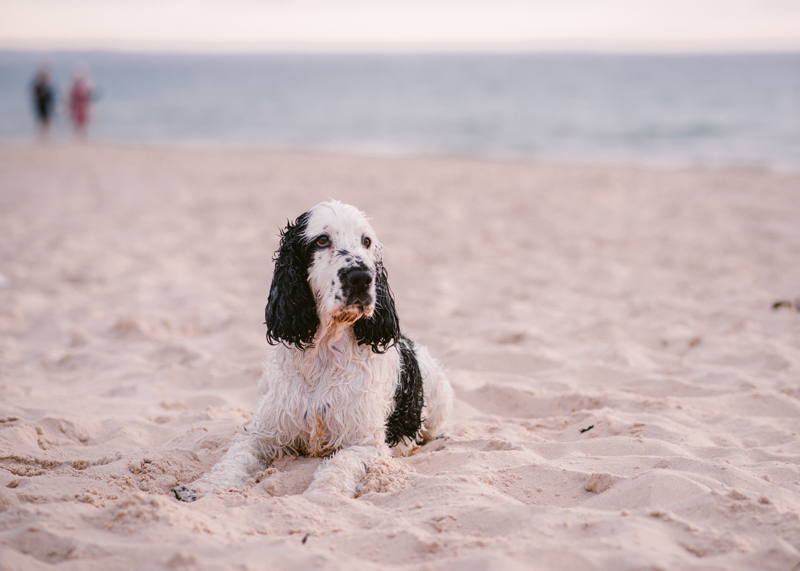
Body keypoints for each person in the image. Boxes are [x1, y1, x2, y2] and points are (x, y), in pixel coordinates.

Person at [68, 66, 94, 139]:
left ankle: (82, 137)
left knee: (83, 123)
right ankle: (78, 137)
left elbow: (89, 97)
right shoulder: (74, 87)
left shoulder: (86, 86)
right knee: (78, 124)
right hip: (78, 108)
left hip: (83, 108)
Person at [31, 66, 55, 140]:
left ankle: (48, 138)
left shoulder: (47, 86)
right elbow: (36, 96)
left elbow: (50, 98)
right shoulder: (38, 86)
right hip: (41, 107)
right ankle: (40, 138)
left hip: (46, 107)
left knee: (47, 122)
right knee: (42, 122)